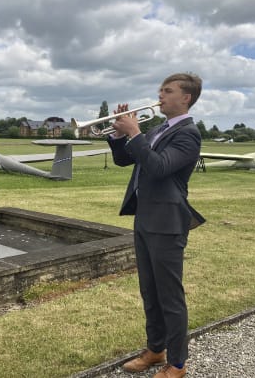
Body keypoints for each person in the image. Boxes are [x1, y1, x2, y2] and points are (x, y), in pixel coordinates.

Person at [107, 73, 205, 378]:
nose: (159, 96)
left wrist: (135, 132)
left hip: (167, 222)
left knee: (170, 297)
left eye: (167, 91)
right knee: (149, 291)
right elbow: (128, 160)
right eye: (161, 90)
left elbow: (159, 167)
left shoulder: (188, 134)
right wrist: (120, 134)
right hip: (145, 218)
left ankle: (177, 364)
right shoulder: (159, 129)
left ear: (185, 98)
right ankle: (155, 349)